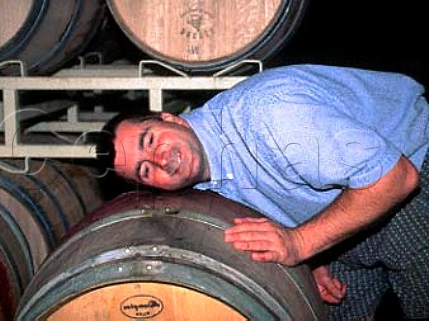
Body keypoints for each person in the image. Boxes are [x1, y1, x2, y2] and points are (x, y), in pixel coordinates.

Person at [96, 64, 429, 321]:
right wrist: (314, 258)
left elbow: (395, 178)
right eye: (144, 170)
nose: (160, 159)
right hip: (352, 219)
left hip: (411, 171)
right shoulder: (201, 182)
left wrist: (302, 243)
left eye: (150, 140)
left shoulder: (269, 114)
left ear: (171, 119)